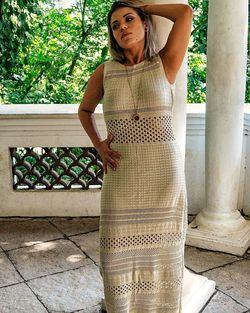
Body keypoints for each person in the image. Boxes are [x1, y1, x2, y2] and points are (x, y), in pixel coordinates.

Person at [78, 1, 193, 312]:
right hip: (122, 173)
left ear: (145, 24)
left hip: (164, 175)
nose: (122, 28)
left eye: (129, 20)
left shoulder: (164, 63)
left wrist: (140, 6)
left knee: (163, 251)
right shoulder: (105, 71)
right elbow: (84, 111)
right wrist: (99, 145)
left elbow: (184, 13)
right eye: (115, 25)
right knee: (114, 253)